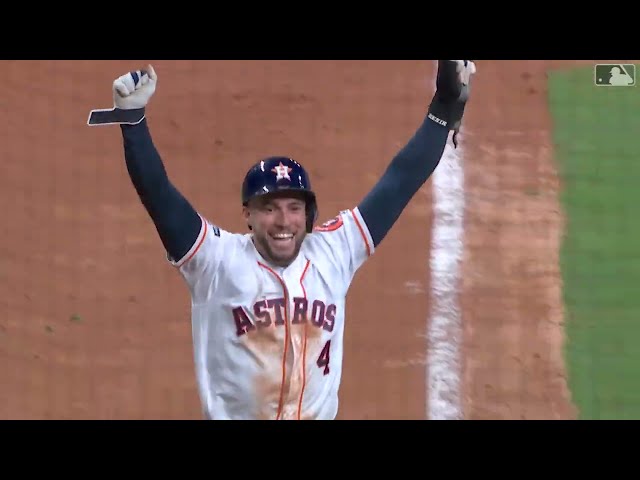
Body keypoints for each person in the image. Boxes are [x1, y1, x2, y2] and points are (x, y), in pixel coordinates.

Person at [105, 60, 476, 420]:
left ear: (309, 215)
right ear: (247, 214)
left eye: (294, 208)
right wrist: (133, 122)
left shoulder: (334, 251)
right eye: (269, 208)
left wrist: (441, 111)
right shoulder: (215, 262)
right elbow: (159, 197)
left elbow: (400, 181)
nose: (284, 221)